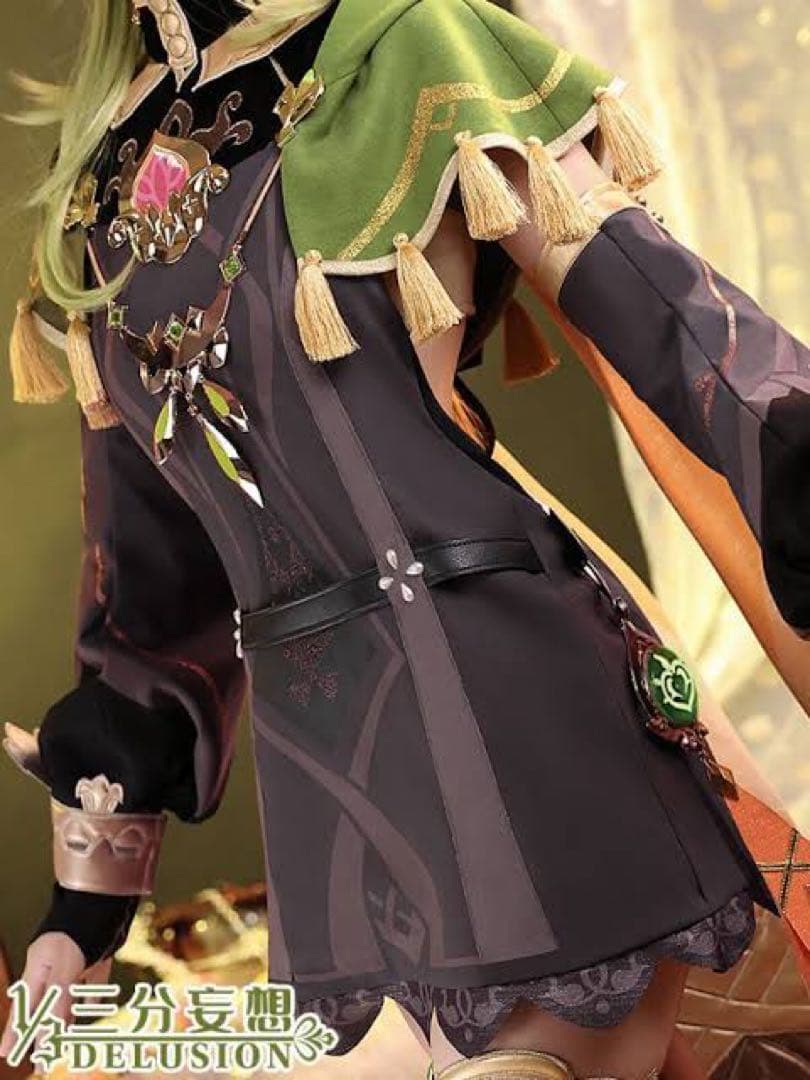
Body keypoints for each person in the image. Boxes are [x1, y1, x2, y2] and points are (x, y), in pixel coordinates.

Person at [2, 1, 809, 1077]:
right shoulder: (106, 174)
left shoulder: (408, 44)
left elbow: (679, 323)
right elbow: (152, 590)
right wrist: (84, 910)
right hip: (336, 823)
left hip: (528, 736)